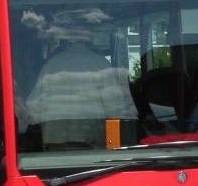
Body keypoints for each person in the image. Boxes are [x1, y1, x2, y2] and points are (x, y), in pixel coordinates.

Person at [22, 12, 138, 149]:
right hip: (91, 146)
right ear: (89, 39)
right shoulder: (101, 63)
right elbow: (118, 110)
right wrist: (114, 144)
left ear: (64, 40)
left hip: (55, 149)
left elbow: (32, 113)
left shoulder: (51, 65)